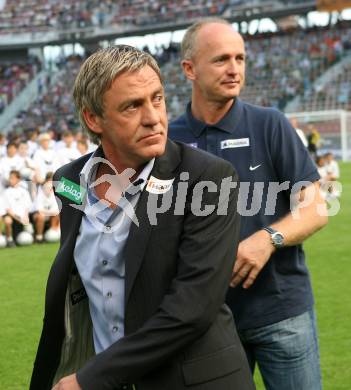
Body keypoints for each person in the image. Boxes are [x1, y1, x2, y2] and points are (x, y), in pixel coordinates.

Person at [30, 45, 255, 390]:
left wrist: (92, 378)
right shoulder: (68, 181)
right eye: (133, 105)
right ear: (93, 119)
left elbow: (191, 309)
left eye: (158, 99)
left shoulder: (207, 178)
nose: (153, 117)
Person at [169, 18, 328, 390]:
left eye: (240, 58)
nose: (235, 69)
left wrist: (267, 237)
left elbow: (316, 207)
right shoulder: (168, 140)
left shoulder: (269, 124)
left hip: (281, 312)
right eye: (222, 59)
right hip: (208, 322)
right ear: (189, 69)